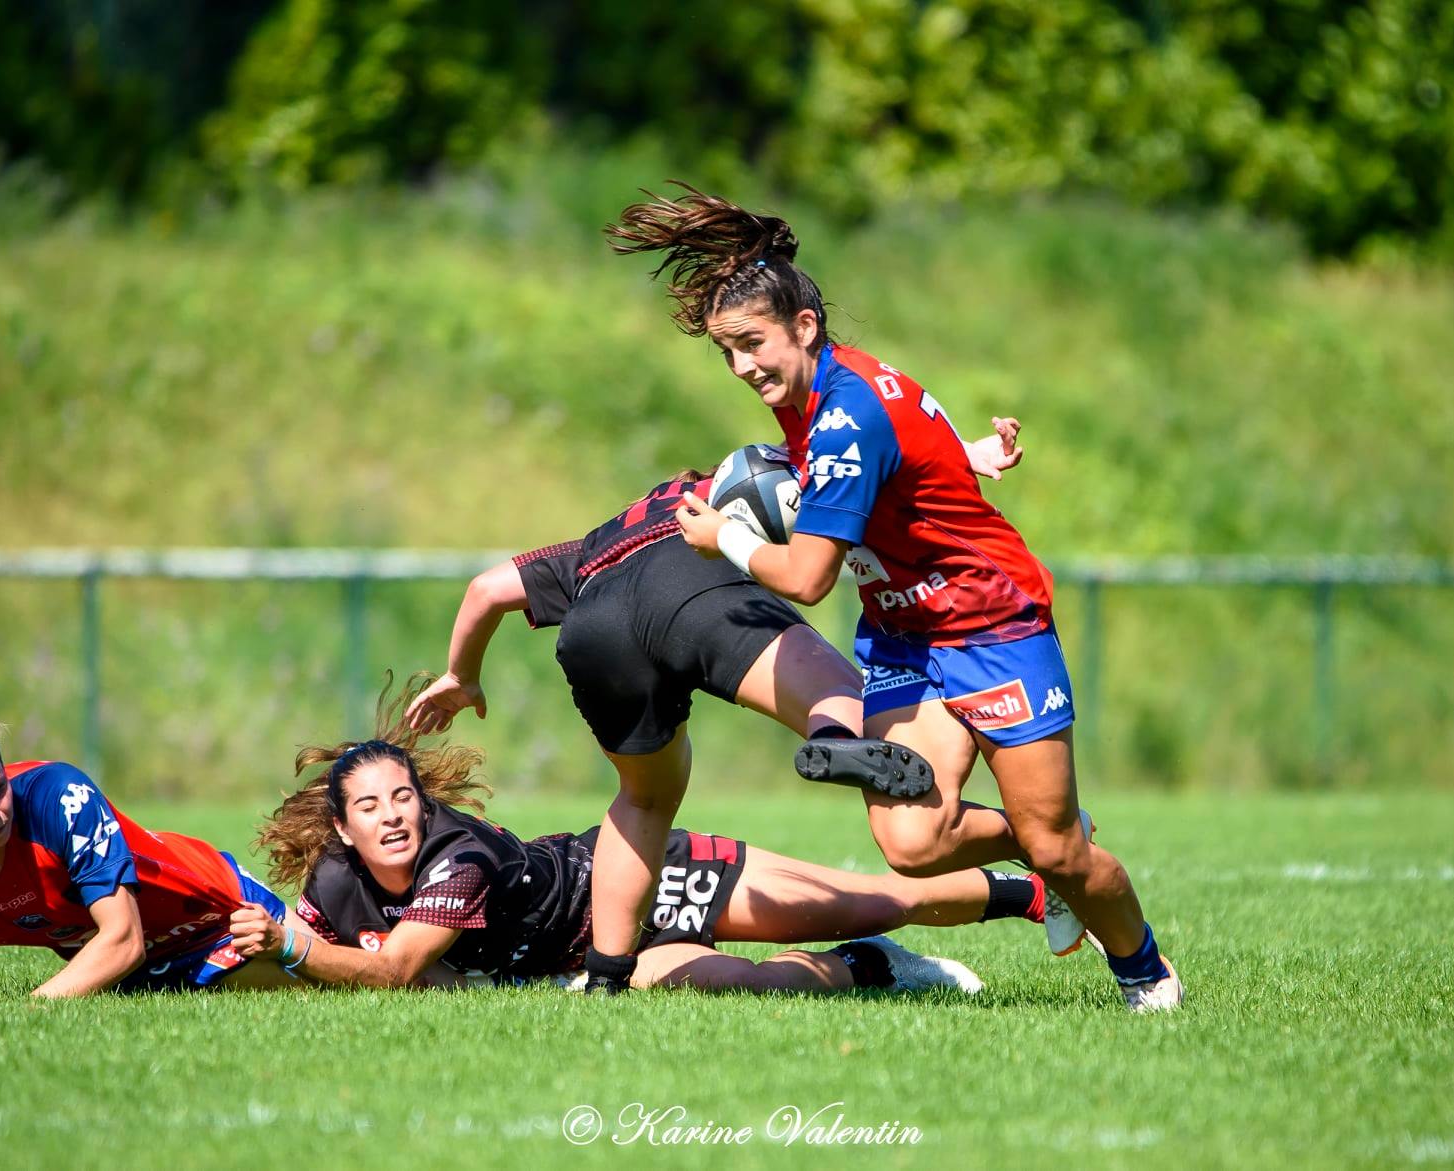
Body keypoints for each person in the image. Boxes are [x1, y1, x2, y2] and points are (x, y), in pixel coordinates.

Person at [607, 185, 1182, 1012]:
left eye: (752, 344)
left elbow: (806, 577)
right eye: (726, 351)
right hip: (903, 633)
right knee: (912, 840)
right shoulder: (829, 393)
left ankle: (1145, 973)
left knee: (1060, 849)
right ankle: (1042, 843)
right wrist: (964, 458)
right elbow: (913, 438)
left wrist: (724, 538)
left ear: (804, 327)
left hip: (990, 623)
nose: (741, 367)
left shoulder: (844, 419)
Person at [398, 458, 1083, 995]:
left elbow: (486, 589)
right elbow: (860, 461)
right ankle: (835, 740)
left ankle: (606, 974)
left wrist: (462, 675)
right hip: (692, 581)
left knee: (642, 799)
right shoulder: (708, 494)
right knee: (840, 688)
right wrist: (963, 457)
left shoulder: (590, 545)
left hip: (592, 624)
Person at [229, 681, 1066, 995]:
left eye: (403, 796)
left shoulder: (460, 854)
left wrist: (294, 950)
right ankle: (874, 965)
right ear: (340, 826)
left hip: (638, 874)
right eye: (370, 807)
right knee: (744, 984)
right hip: (587, 956)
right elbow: (318, 963)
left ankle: (1034, 884)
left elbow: (398, 968)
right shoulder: (334, 884)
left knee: (886, 892)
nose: (392, 815)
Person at [0, 699, 293, 996]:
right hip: (130, 975)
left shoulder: (60, 799)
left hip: (220, 913)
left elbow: (124, 940)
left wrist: (28, 1013)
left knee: (338, 980)